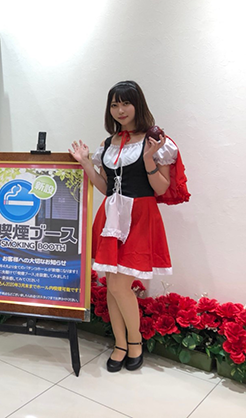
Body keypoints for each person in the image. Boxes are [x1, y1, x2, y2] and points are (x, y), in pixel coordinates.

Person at [69, 80, 178, 373]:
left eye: (126, 103)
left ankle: (135, 342)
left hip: (140, 215)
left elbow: (160, 188)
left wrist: (148, 158)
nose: (120, 110)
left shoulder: (156, 142)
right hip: (112, 216)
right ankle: (120, 344)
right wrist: (85, 163)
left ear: (137, 104)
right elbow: (106, 187)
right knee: (111, 284)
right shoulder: (108, 144)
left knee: (119, 285)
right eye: (114, 104)